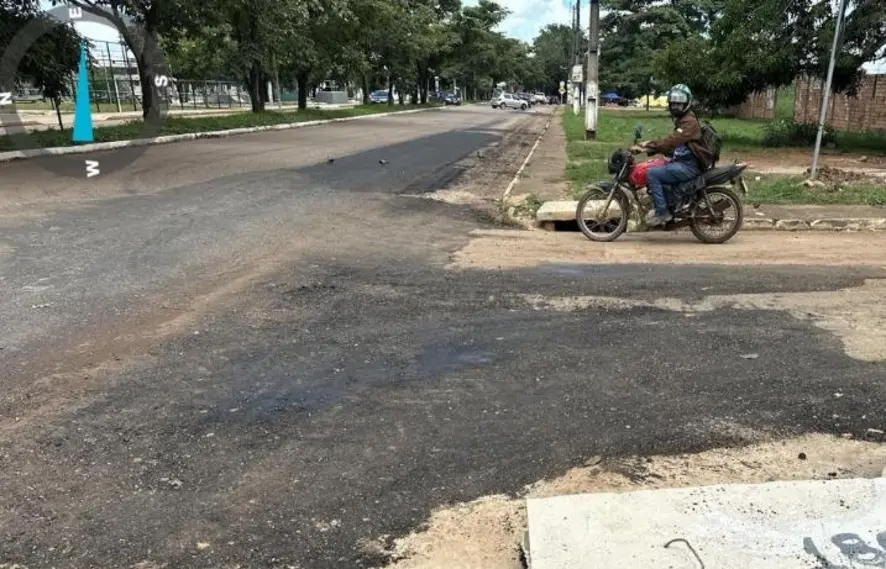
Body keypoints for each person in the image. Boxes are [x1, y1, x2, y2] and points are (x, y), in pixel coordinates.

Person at [631, 84, 714, 226]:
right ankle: (669, 203)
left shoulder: (690, 122)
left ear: (687, 103)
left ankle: (662, 212)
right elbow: (673, 143)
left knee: (653, 174)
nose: (676, 107)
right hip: (683, 162)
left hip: (689, 166)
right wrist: (648, 144)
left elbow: (672, 141)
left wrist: (648, 147)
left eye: (679, 103)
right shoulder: (683, 120)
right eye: (673, 103)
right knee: (657, 165)